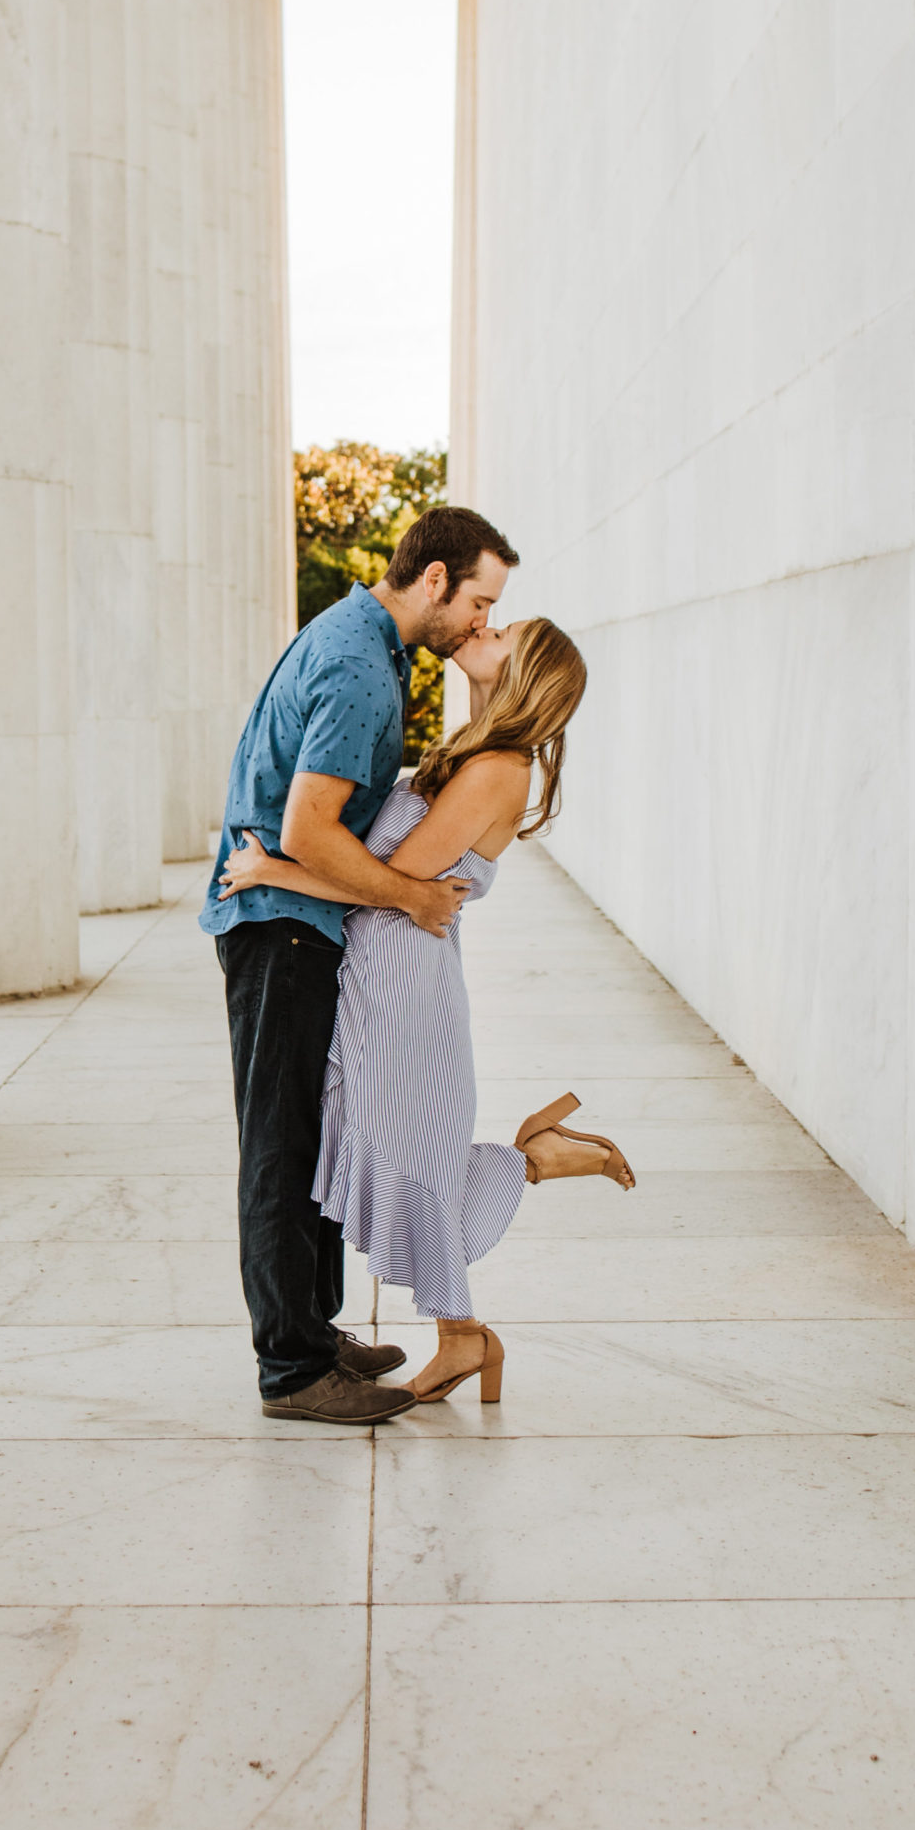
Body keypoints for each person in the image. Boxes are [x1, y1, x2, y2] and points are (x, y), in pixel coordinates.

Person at [219, 613, 635, 1406]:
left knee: (398, 1153)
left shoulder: (498, 768)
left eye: (504, 630)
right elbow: (402, 888)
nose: (487, 625)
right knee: (389, 1150)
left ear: (524, 673)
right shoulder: (474, 750)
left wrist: (272, 870)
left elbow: (392, 881)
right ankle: (466, 1326)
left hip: (402, 981)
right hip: (385, 965)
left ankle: (523, 1188)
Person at [202, 504, 521, 1423]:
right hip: (284, 924)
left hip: (299, 919)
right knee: (279, 1149)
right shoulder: (358, 666)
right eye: (478, 601)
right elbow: (307, 828)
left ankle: (311, 1326)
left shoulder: (367, 646)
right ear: (434, 580)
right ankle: (292, 1370)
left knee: (309, 1142)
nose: (478, 621)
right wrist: (409, 897)